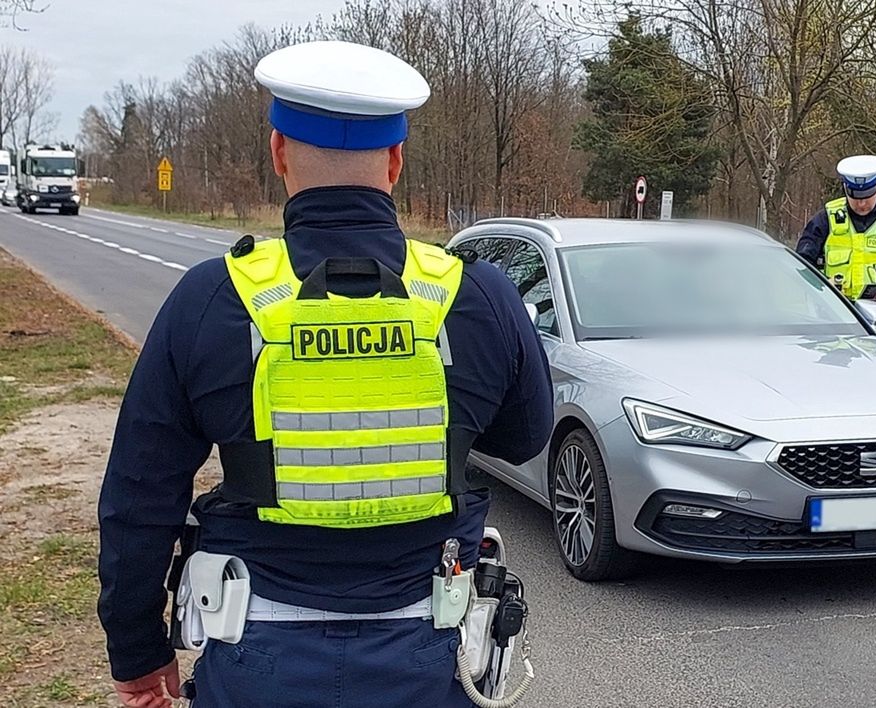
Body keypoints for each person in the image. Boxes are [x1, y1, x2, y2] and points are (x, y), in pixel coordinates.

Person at [97, 40, 553, 708]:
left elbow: (140, 496)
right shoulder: (477, 296)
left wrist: (137, 651)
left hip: (257, 660)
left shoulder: (211, 300)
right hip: (431, 659)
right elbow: (524, 438)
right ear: (396, 161)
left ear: (280, 153)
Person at [796, 154, 876, 341]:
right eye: (855, 197)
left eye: (867, 196)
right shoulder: (826, 218)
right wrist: (823, 286)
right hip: (832, 318)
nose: (862, 203)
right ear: (845, 189)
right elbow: (802, 264)